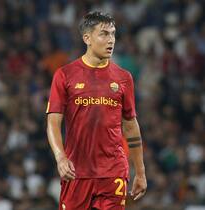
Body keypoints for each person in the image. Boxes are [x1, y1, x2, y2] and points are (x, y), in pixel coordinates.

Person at [46, 11, 147, 210]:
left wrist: (141, 172)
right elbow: (53, 122)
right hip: (77, 172)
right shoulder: (65, 75)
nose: (111, 40)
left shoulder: (123, 78)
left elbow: (130, 126)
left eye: (113, 34)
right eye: (104, 34)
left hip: (113, 172)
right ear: (87, 38)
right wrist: (60, 157)